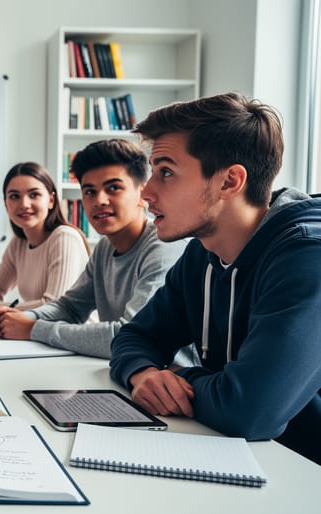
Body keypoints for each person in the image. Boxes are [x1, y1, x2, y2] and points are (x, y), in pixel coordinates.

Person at [109, 92, 321, 464]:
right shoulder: (203, 252)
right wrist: (143, 373)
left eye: (166, 172)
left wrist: (177, 375)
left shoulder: (307, 257)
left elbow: (251, 409)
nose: (146, 193)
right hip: (247, 460)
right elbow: (135, 335)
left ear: (229, 182)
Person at [0, 139, 187, 359]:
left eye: (113, 188)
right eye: (89, 191)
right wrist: (24, 317)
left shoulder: (164, 247)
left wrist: (33, 329)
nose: (99, 200)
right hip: (120, 372)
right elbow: (70, 307)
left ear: (142, 194)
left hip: (168, 382)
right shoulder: (104, 248)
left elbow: (130, 335)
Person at [0, 162, 89, 317]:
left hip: (72, 337)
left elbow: (54, 307)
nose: (24, 204)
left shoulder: (64, 238)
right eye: (14, 196)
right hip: (39, 333)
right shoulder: (19, 242)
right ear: (6, 204)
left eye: (34, 195)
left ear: (51, 200)